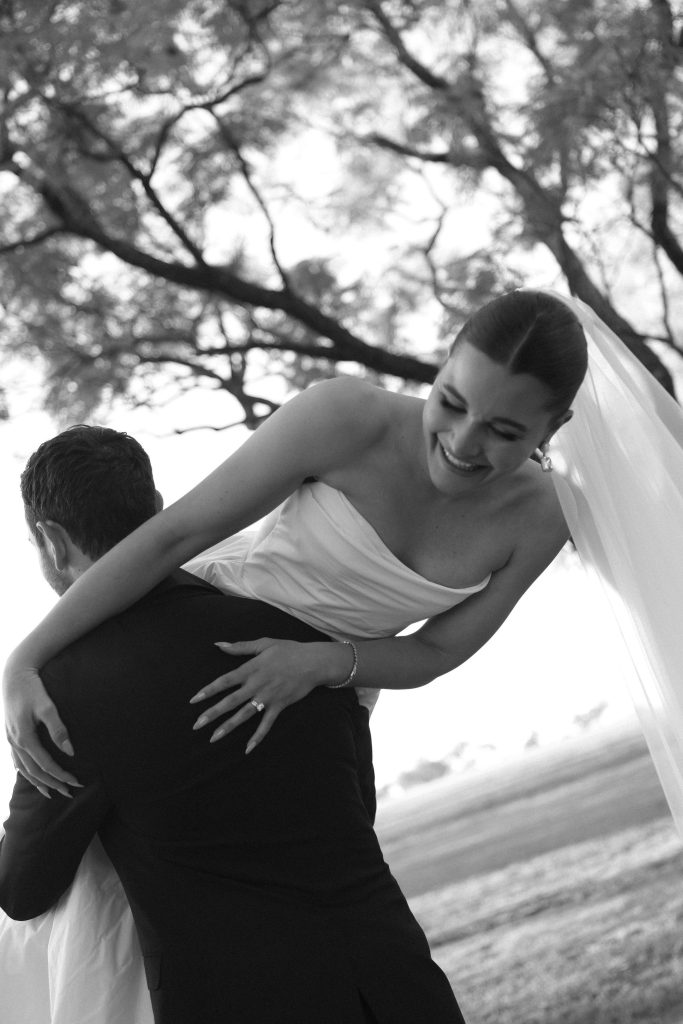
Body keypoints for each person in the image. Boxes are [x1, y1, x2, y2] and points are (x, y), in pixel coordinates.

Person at [0, 425, 466, 1024]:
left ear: (52, 540)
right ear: (157, 511)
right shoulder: (298, 638)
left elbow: (23, 888)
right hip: (391, 983)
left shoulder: (66, 692)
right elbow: (355, 806)